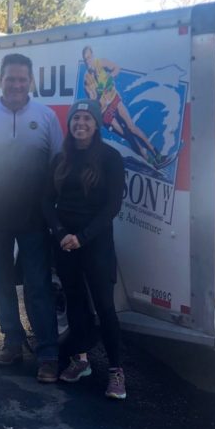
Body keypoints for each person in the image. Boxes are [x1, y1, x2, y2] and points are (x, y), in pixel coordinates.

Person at [0, 53, 65, 383]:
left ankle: (48, 353)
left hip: (36, 216)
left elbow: (59, 167)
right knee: (1, 281)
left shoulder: (46, 117)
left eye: (22, 79)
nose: (16, 84)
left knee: (37, 285)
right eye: (10, 79)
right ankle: (12, 342)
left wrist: (59, 217)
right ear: (0, 81)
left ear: (30, 81)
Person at [42, 100, 128, 399]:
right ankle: (81, 361)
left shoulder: (110, 158)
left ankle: (117, 372)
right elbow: (46, 201)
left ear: (96, 124)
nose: (81, 123)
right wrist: (61, 233)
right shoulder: (60, 159)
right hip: (65, 244)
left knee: (105, 307)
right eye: (76, 118)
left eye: (87, 119)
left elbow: (112, 206)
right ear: (70, 123)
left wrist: (83, 236)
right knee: (75, 304)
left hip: (96, 244)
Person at [80, 46, 161, 166]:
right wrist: (98, 93)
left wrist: (110, 77)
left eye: (89, 57)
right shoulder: (87, 78)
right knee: (127, 135)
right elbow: (92, 100)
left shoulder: (101, 62)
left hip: (114, 99)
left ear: (93, 55)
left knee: (131, 127)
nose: (88, 61)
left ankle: (155, 152)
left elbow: (116, 68)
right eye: (86, 59)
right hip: (104, 111)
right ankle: (147, 158)